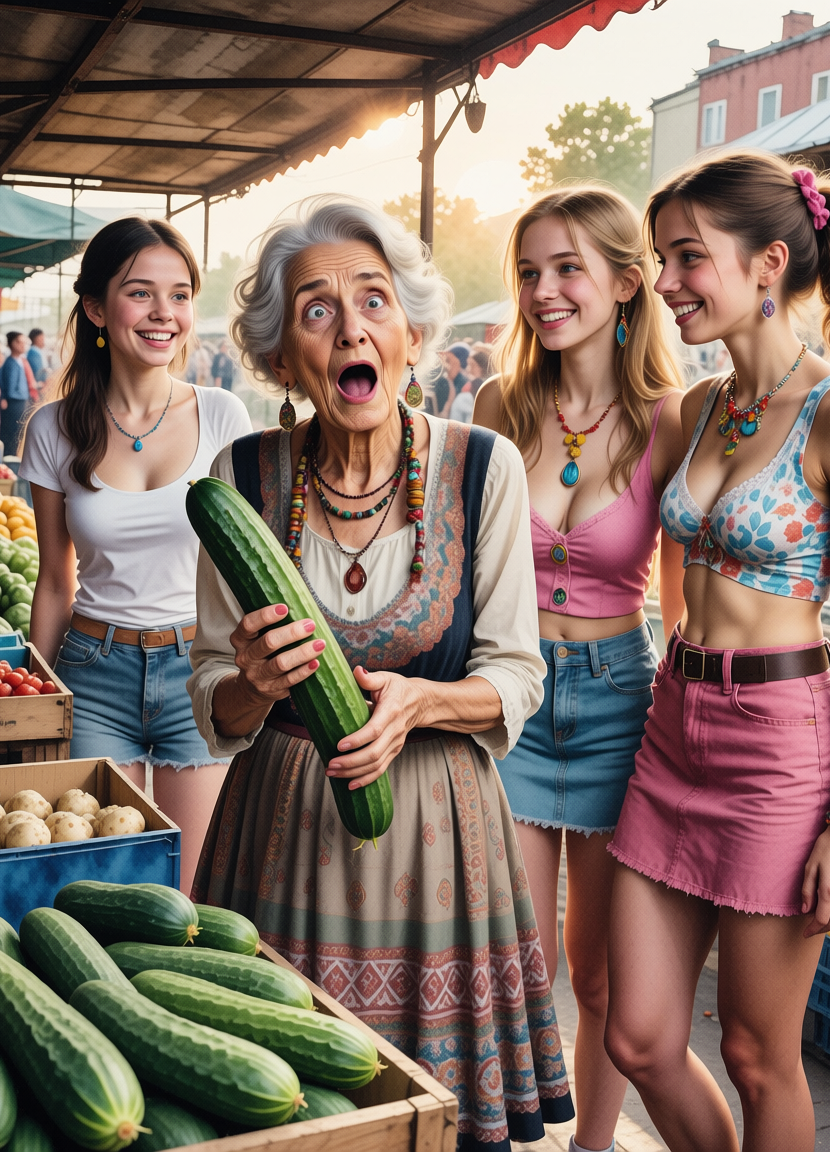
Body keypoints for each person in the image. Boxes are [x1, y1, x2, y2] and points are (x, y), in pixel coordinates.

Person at [187, 194, 575, 1150]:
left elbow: (517, 674)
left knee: (429, 1118)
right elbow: (211, 700)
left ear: (411, 331)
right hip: (278, 832)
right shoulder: (238, 478)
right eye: (317, 308)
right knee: (280, 1102)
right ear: (284, 357)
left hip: (439, 840)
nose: (351, 325)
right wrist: (253, 681)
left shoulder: (484, 468)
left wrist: (420, 703)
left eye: (373, 299)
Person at [603, 151, 830, 1152]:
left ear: (769, 261)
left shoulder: (826, 413)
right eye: (660, 259)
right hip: (671, 728)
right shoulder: (694, 407)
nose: (664, 283)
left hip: (780, 749)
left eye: (687, 257)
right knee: (638, 1036)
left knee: (753, 1055)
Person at [473, 185, 685, 1152]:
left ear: (626, 283)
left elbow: (680, 604)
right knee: (515, 962)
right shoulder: (494, 407)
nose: (543, 291)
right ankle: (506, 1131)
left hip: (618, 703)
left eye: (567, 268)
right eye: (528, 271)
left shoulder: (670, 420)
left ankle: (591, 1148)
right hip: (509, 698)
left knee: (597, 975)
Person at [19, 216, 252, 896]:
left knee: (186, 893)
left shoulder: (223, 417)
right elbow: (56, 580)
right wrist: (42, 696)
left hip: (200, 674)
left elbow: (250, 570)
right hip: (94, 674)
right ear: (95, 307)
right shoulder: (52, 429)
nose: (165, 314)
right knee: (97, 885)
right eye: (141, 293)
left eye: (180, 295)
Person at [1, 332, 37, 456]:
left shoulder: (19, 361)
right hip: (15, 405)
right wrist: (6, 397)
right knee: (12, 436)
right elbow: (10, 389)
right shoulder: (11, 364)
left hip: (20, 402)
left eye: (24, 342)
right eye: (20, 342)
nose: (23, 345)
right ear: (13, 344)